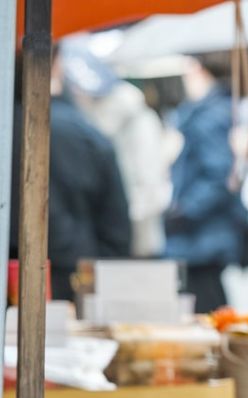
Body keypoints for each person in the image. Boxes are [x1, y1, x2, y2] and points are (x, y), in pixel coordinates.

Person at [9, 47, 132, 301]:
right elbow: (117, 230)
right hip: (72, 281)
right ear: (55, 65)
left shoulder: (82, 133)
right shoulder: (86, 134)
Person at [60, 39, 171, 259]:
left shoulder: (137, 120)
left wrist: (114, 221)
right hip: (112, 242)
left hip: (135, 246)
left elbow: (152, 189)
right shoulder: (90, 126)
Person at [163, 54, 244, 313]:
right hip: (199, 233)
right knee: (205, 304)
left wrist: (185, 210)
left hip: (202, 234)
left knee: (207, 307)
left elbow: (218, 175)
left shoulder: (209, 114)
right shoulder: (204, 111)